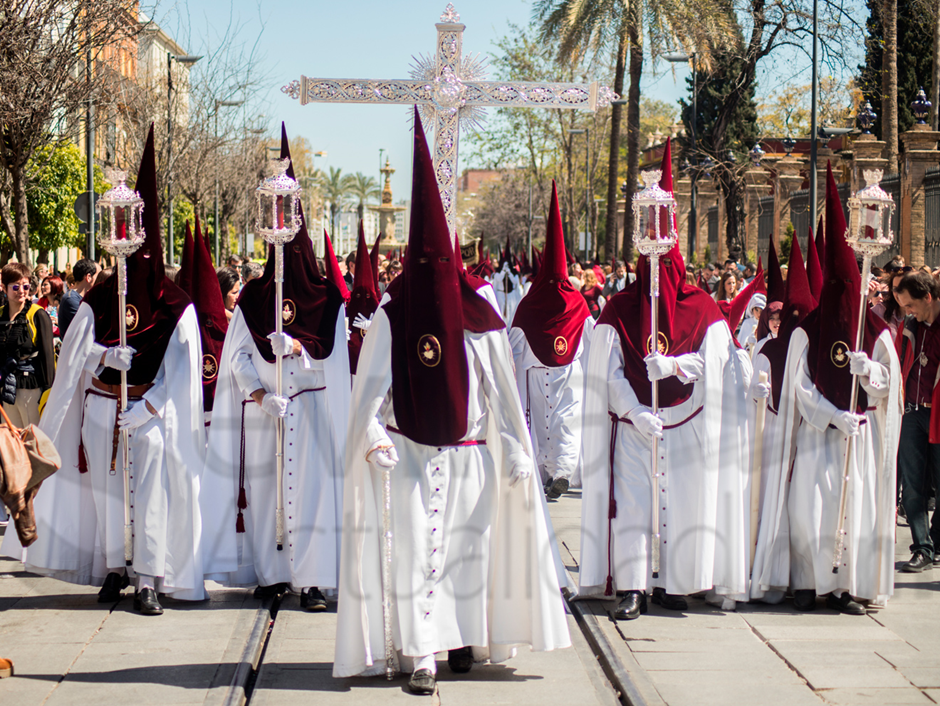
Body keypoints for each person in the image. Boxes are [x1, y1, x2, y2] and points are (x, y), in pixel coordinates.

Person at [334, 110, 570, 694]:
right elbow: (369, 394)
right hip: (411, 453)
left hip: (470, 458)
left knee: (467, 557)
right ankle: (420, 655)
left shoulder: (481, 318)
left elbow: (501, 392)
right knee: (415, 555)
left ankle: (462, 639)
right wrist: (374, 437)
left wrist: (516, 445)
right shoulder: (393, 314)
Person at [1, 126, 208, 615]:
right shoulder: (100, 296)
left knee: (149, 495)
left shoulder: (177, 305)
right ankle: (115, 567)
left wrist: (151, 406)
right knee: (107, 496)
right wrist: (102, 357)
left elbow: (182, 370)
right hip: (101, 409)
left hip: (149, 415)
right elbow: (76, 352)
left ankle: (151, 578)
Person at [580, 139, 752, 620]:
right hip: (636, 424)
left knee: (682, 502)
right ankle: (634, 586)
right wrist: (634, 410)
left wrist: (674, 366)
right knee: (634, 504)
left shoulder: (701, 306)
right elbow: (607, 372)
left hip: (686, 419)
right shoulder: (618, 307)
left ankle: (677, 582)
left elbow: (716, 365)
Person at [205, 125, 350, 611]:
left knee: (309, 494)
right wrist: (260, 395)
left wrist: (301, 353)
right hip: (269, 413)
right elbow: (238, 359)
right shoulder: (255, 294)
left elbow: (337, 365)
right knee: (265, 493)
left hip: (308, 412)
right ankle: (270, 572)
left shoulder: (328, 298)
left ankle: (311, 579)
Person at [782, 165, 900, 613]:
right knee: (809, 510)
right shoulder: (807, 331)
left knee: (854, 508)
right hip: (820, 434)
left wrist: (869, 369)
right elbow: (800, 386)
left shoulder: (875, 331)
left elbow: (890, 385)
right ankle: (811, 583)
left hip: (860, 432)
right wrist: (833, 414)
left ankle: (850, 584)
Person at [510, 181, 593, 500]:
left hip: (539, 373)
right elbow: (591, 339)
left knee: (552, 423)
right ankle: (557, 472)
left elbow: (515, 343)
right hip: (568, 374)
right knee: (563, 422)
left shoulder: (530, 302)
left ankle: (560, 472)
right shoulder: (576, 301)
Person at [748, 235, 817, 604]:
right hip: (775, 434)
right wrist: (755, 397)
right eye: (773, 316)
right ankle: (775, 570)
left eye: (783, 316)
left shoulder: (810, 347)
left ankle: (806, 577)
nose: (778, 321)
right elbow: (752, 393)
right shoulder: (764, 349)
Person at [894, 270, 940, 572]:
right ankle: (922, 547)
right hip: (911, 412)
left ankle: (934, 542)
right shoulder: (910, 326)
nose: (907, 311)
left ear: (928, 297)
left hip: (937, 413)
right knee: (911, 486)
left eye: (910, 305)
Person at [0, 263, 56, 427]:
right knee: (10, 441)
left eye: (25, 286)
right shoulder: (1, 314)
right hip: (6, 389)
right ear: (4, 287)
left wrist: (48, 393)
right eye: (15, 286)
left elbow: (48, 357)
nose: (21, 291)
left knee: (33, 440)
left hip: (31, 389)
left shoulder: (37, 314)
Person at [58, 258, 100, 339]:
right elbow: (91, 326)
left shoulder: (83, 297)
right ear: (88, 277)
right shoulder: (70, 299)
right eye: (98, 276)